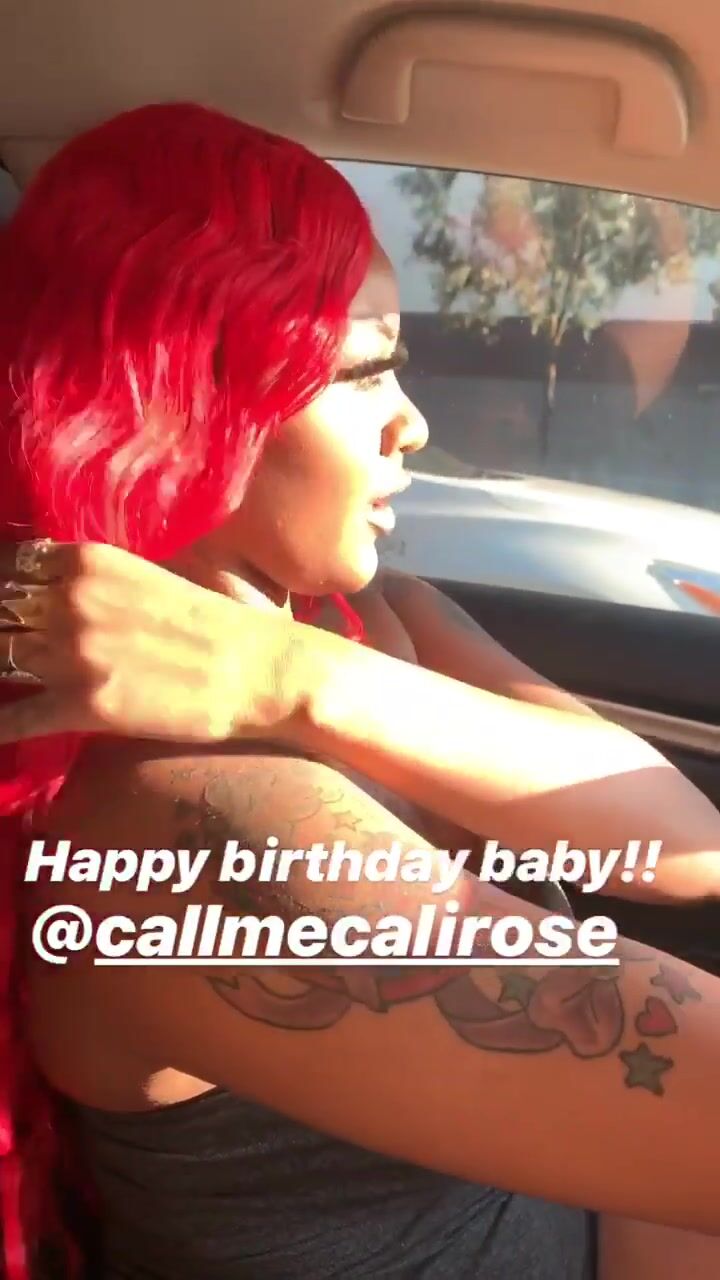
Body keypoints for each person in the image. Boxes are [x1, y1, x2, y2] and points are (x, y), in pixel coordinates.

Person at [0, 102, 719, 1280]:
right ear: (187, 402)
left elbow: (687, 846)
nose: (414, 423)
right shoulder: (179, 826)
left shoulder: (361, 626)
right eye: (362, 373)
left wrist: (285, 675)